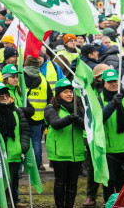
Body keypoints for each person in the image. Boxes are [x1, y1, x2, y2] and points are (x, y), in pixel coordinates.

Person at [97, 68, 124, 199]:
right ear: (103, 83)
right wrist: (113, 103)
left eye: (115, 81)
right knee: (109, 182)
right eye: (110, 82)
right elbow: (100, 119)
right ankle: (109, 203)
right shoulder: (99, 100)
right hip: (111, 150)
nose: (113, 84)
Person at [45, 78, 85, 208]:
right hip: (60, 153)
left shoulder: (78, 108)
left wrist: (76, 118)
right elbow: (55, 124)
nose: (69, 94)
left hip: (76, 153)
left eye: (71, 92)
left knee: (73, 183)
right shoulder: (51, 108)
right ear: (58, 94)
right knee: (60, 182)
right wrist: (70, 118)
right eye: (66, 92)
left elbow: (87, 126)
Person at [0, 82, 30, 205]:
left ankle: (8, 204)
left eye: (6, 94)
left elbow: (25, 131)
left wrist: (22, 148)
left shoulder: (16, 110)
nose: (4, 97)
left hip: (13, 154)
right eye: (0, 95)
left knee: (9, 183)